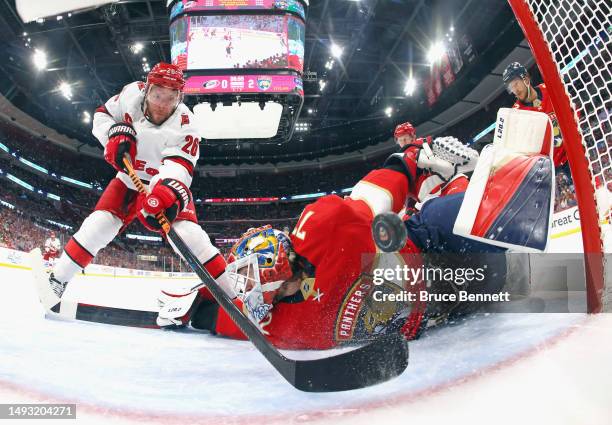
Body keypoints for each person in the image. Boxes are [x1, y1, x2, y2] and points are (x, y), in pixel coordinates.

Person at [178, 136, 502, 350]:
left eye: (250, 280)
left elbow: (370, 197)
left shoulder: (323, 227)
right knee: (513, 283)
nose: (247, 293)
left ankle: (446, 174)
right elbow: (218, 312)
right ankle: (445, 180)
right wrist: (192, 307)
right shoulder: (271, 322)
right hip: (440, 304)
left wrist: (407, 161)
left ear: (276, 270)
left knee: (490, 216)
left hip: (427, 248)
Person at [40, 62, 236, 319]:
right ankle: (57, 279)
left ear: (181, 97)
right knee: (99, 225)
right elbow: (102, 115)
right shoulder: (130, 94)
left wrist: (164, 194)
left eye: (171, 97)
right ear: (146, 90)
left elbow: (181, 166)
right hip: (128, 180)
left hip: (166, 186)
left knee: (188, 236)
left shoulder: (187, 124)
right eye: (157, 95)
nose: (163, 104)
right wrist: (113, 134)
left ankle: (232, 298)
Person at [502, 62, 567, 168]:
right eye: (511, 87)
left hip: (572, 153)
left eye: (516, 84)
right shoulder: (516, 114)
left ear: (526, 79)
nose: (515, 90)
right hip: (553, 169)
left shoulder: (549, 89)